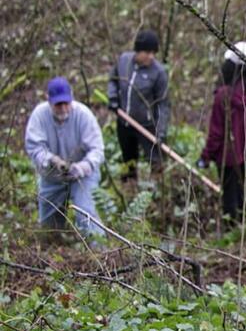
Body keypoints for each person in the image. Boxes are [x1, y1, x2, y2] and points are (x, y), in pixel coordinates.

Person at [198, 42, 246, 221]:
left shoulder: (223, 95)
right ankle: (243, 218)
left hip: (228, 154)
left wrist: (206, 156)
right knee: (241, 183)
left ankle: (232, 225)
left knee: (229, 190)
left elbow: (216, 132)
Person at [24, 77, 105, 237]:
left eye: (65, 103)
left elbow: (97, 149)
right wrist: (52, 160)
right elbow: (33, 146)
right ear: (48, 100)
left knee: (86, 215)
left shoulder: (83, 115)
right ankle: (53, 252)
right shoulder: (39, 116)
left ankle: (101, 254)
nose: (63, 108)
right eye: (58, 104)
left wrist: (82, 167)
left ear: (72, 98)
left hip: (83, 177)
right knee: (48, 227)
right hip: (52, 177)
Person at [106, 28, 170, 182]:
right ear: (138, 51)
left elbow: (163, 104)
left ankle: (156, 192)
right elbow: (113, 80)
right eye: (147, 53)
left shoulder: (158, 73)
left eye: (153, 53)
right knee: (129, 160)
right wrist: (113, 98)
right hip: (124, 122)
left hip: (146, 126)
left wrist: (160, 131)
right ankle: (129, 188)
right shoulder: (124, 61)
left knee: (155, 161)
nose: (151, 56)